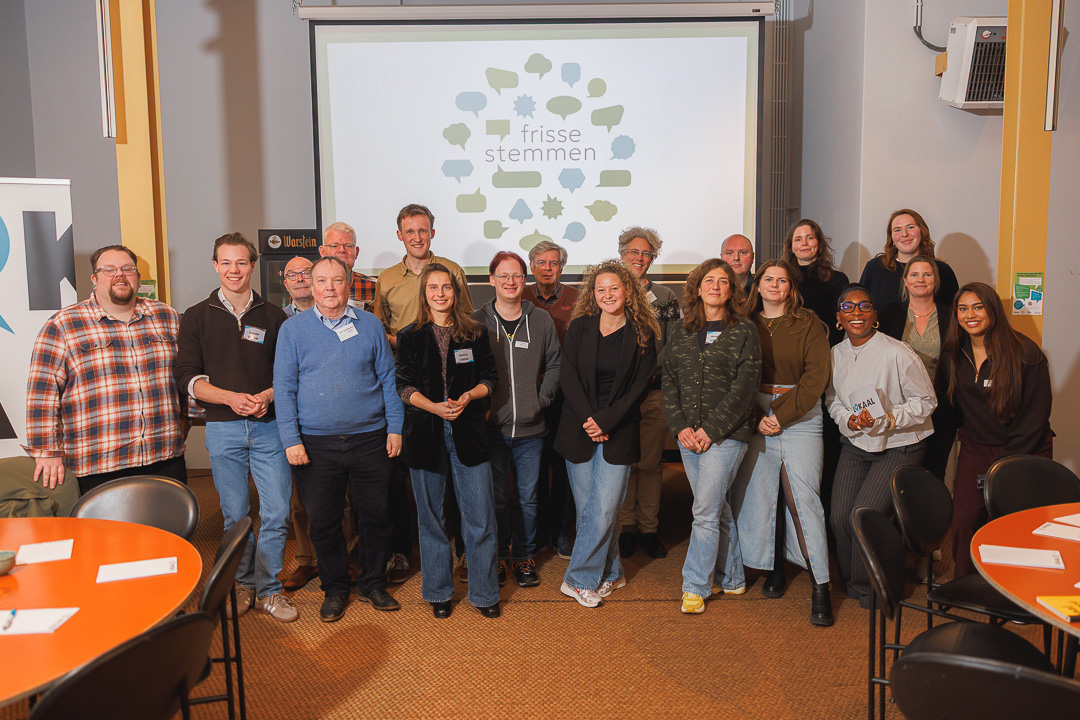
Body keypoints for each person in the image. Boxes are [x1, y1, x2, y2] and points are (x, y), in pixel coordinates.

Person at [175, 233, 296, 622]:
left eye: (241, 263)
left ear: (252, 265)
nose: (233, 270)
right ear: (215, 265)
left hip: (269, 428)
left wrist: (267, 395)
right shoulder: (195, 316)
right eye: (226, 263)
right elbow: (186, 377)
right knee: (235, 515)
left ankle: (270, 590)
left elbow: (289, 374)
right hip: (223, 429)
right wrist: (229, 397)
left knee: (277, 514)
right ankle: (243, 585)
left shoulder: (275, 317)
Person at [274, 257, 404, 621]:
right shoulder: (294, 330)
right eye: (321, 281)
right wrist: (291, 439)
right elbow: (284, 389)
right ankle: (334, 589)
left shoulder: (371, 325)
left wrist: (395, 427)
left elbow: (388, 380)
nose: (329, 288)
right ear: (311, 286)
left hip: (371, 438)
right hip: (315, 443)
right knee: (324, 521)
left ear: (349, 284)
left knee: (376, 516)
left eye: (337, 280)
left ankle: (374, 583)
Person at [25, 245, 186, 493]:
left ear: (138, 277)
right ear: (95, 279)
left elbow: (185, 374)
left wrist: (187, 421)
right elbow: (42, 394)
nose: (119, 275)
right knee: (106, 533)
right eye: (109, 269)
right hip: (98, 464)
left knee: (171, 530)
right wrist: (47, 452)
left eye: (127, 269)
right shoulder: (64, 324)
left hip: (163, 456)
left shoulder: (167, 317)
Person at [395, 263, 501, 619]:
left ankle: (485, 594)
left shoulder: (475, 332)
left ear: (455, 292)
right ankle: (438, 591)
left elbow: (490, 379)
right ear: (424, 294)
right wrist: (434, 408)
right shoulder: (410, 336)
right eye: (433, 288)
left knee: (480, 517)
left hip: (469, 433)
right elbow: (404, 386)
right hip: (425, 433)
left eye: (446, 287)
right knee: (431, 519)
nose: (440, 293)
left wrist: (469, 396)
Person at [730, 260, 832, 625]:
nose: (775, 285)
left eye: (782, 280)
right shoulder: (742, 322)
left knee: (801, 499)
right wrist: (754, 415)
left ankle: (821, 584)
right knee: (760, 496)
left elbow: (816, 376)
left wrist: (780, 416)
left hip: (800, 416)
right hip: (753, 411)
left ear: (791, 287)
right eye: (768, 279)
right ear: (757, 285)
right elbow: (734, 371)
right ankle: (773, 569)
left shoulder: (809, 323)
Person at [375, 204, 471, 583]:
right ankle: (402, 551)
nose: (417, 237)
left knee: (457, 471)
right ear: (400, 235)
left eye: (423, 230)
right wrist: (409, 341)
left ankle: (462, 550)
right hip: (408, 383)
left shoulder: (452, 272)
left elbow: (465, 322)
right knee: (405, 472)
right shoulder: (386, 278)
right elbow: (377, 328)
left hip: (450, 380)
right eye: (409, 231)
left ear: (432, 232)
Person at [556, 259, 658, 608]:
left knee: (603, 509)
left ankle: (578, 579)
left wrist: (607, 421)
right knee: (591, 508)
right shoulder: (580, 327)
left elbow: (640, 388)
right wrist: (590, 418)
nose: (608, 294)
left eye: (614, 287)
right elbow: (567, 377)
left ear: (628, 291)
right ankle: (612, 571)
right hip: (578, 427)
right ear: (592, 294)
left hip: (620, 428)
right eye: (601, 289)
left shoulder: (643, 333)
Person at [826, 284, 936, 607]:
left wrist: (889, 417)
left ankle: (876, 584)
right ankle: (855, 582)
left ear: (875, 315)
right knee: (840, 515)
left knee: (866, 514)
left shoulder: (897, 352)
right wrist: (849, 420)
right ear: (838, 318)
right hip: (857, 443)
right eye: (848, 307)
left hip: (900, 443)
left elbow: (927, 401)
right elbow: (832, 400)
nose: (856, 313)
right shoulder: (835, 354)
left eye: (864, 306)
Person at [662, 259, 760, 613]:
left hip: (727, 436)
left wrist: (710, 430)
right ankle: (733, 577)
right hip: (688, 437)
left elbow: (744, 389)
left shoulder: (744, 331)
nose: (716, 286)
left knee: (703, 510)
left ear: (732, 290)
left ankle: (695, 586)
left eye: (724, 281)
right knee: (715, 507)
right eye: (709, 280)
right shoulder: (680, 330)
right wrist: (681, 428)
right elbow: (669, 382)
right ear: (697, 287)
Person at [940, 282, 1053, 578]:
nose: (970, 315)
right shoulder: (953, 353)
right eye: (963, 309)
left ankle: (1013, 590)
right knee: (965, 520)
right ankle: (964, 585)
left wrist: (1006, 465)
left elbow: (1035, 416)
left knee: (1013, 523)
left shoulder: (1026, 353)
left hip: (1024, 449)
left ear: (993, 310)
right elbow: (948, 405)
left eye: (978, 307)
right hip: (977, 447)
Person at [471, 251, 561, 587]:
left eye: (517, 276)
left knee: (528, 497)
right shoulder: (475, 321)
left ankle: (524, 557)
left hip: (531, 430)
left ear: (526, 281)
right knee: (494, 498)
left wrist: (540, 402)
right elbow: (465, 371)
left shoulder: (540, 320)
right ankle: (497, 558)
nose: (511, 282)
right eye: (504, 276)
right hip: (490, 430)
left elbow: (555, 365)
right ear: (491, 279)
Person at [616, 227, 681, 561]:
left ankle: (648, 528)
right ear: (621, 254)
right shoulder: (611, 291)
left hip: (654, 393)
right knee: (625, 463)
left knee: (651, 464)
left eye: (646, 254)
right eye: (633, 252)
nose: (639, 259)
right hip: (619, 397)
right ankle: (626, 528)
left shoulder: (667, 297)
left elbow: (672, 345)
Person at [523, 240, 580, 559]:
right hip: (526, 395)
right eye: (541, 263)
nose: (547, 268)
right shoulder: (520, 295)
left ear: (562, 267)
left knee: (561, 468)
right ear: (531, 267)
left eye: (553, 263)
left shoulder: (578, 298)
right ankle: (536, 533)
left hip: (564, 397)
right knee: (532, 468)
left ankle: (561, 532)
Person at [878, 255, 957, 480]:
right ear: (905, 280)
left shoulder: (951, 316)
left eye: (927, 274)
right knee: (898, 476)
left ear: (936, 280)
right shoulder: (888, 315)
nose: (920, 279)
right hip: (899, 409)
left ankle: (932, 516)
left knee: (933, 473)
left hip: (940, 409)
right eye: (914, 274)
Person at [859, 209, 960, 310]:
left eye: (910, 227)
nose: (904, 234)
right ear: (892, 237)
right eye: (897, 230)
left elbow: (954, 315)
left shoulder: (942, 270)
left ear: (922, 231)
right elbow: (860, 306)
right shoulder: (875, 268)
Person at [780, 219, 849, 346]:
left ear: (819, 243)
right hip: (786, 349)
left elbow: (839, 325)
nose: (804, 243)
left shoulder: (838, 280)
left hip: (822, 351)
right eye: (798, 239)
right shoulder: (782, 280)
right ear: (791, 248)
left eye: (810, 237)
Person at [320, 222, 377, 312]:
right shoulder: (310, 287)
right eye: (335, 246)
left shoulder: (374, 286)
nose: (342, 250)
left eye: (348, 246)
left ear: (356, 252)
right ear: (322, 252)